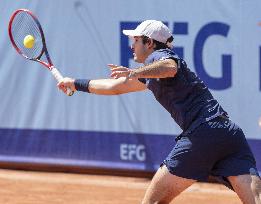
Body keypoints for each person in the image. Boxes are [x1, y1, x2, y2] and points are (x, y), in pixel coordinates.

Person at [58, 20, 261, 204]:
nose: (131, 46)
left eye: (136, 40)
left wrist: (136, 71)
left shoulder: (161, 57)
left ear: (150, 43)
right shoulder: (151, 71)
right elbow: (115, 86)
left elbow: (170, 67)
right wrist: (75, 83)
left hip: (202, 132)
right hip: (228, 133)